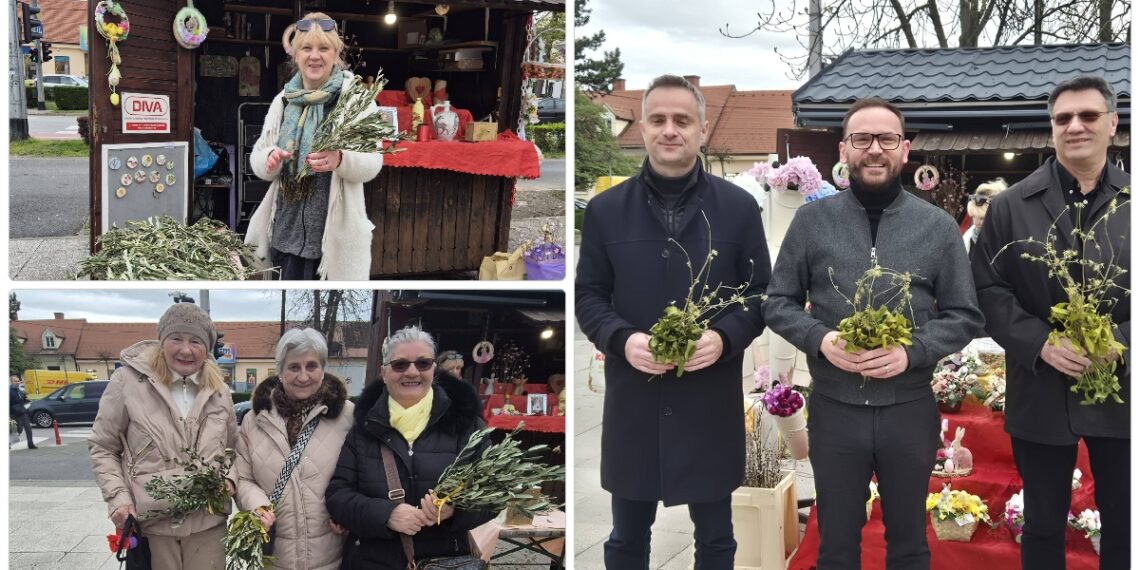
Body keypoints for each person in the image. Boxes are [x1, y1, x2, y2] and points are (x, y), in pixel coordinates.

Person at [764, 98, 983, 568]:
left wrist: (913, 350)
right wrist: (820, 339)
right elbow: (777, 302)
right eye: (862, 139)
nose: (875, 149)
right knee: (836, 546)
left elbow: (965, 314)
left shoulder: (938, 227)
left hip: (909, 409)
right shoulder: (812, 222)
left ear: (905, 149)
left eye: (886, 138)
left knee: (909, 544)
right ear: (844, 150)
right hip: (836, 409)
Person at [576, 74, 769, 569]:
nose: (669, 130)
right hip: (635, 401)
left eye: (682, 120)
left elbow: (759, 295)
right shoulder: (604, 211)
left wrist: (723, 338)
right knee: (625, 539)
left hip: (708, 401)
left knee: (717, 538)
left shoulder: (739, 209)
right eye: (658, 119)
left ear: (702, 130)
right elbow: (589, 296)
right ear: (642, 128)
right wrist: (622, 339)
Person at [971, 75, 1129, 570]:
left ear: (1112, 123)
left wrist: (1122, 341)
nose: (1075, 126)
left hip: (1123, 391)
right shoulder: (1010, 206)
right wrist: (1038, 342)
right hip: (1040, 389)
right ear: (1052, 127)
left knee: (1128, 523)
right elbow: (986, 289)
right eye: (1063, 118)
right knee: (1040, 525)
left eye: (1088, 115)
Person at [325, 326, 495, 568]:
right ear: (384, 373)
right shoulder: (364, 428)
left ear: (434, 369)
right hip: (372, 561)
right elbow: (338, 496)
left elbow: (494, 494)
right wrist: (386, 515)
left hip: (445, 560)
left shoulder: (466, 425)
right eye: (400, 364)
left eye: (423, 363)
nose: (412, 372)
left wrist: (455, 510)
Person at [89, 303, 237, 570]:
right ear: (162, 341)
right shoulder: (127, 382)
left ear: (207, 348)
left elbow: (233, 451)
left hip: (208, 526)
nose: (185, 350)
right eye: (176, 338)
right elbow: (103, 447)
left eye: (195, 341)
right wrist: (119, 499)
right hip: (153, 528)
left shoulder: (220, 391)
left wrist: (229, 480)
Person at [245, 13, 383, 280]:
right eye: (307, 48)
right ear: (296, 55)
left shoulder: (355, 101)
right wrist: (270, 159)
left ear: (336, 54)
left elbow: (373, 162)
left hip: (331, 246)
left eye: (324, 48)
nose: (315, 56)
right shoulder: (283, 101)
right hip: (285, 236)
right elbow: (259, 159)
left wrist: (341, 159)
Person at [230, 328, 354, 570]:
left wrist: (349, 511)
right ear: (280, 371)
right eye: (294, 367)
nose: (303, 376)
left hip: (333, 557)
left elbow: (363, 473)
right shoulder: (255, 420)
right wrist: (258, 506)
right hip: (275, 557)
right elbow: (243, 477)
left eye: (312, 366)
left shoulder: (347, 416)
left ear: (323, 368)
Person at [961, 178, 1007, 258]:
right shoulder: (969, 238)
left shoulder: (1009, 238)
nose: (976, 222)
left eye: (982, 218)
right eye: (973, 216)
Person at [9, 375, 36, 449]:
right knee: (18, 430)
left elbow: (24, 400)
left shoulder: (20, 391)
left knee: (28, 429)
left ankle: (30, 444)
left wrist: (27, 401)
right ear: (11, 382)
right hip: (14, 415)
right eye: (15, 381)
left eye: (18, 381)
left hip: (23, 413)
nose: (17, 382)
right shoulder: (9, 391)